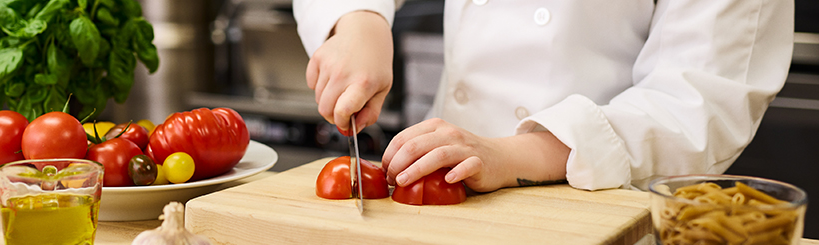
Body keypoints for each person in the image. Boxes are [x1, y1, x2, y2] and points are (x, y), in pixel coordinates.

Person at [293, 0, 794, 192]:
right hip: (440, 189)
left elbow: (701, 100)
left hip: (599, 201)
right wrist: (358, 19)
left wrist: (512, 153)